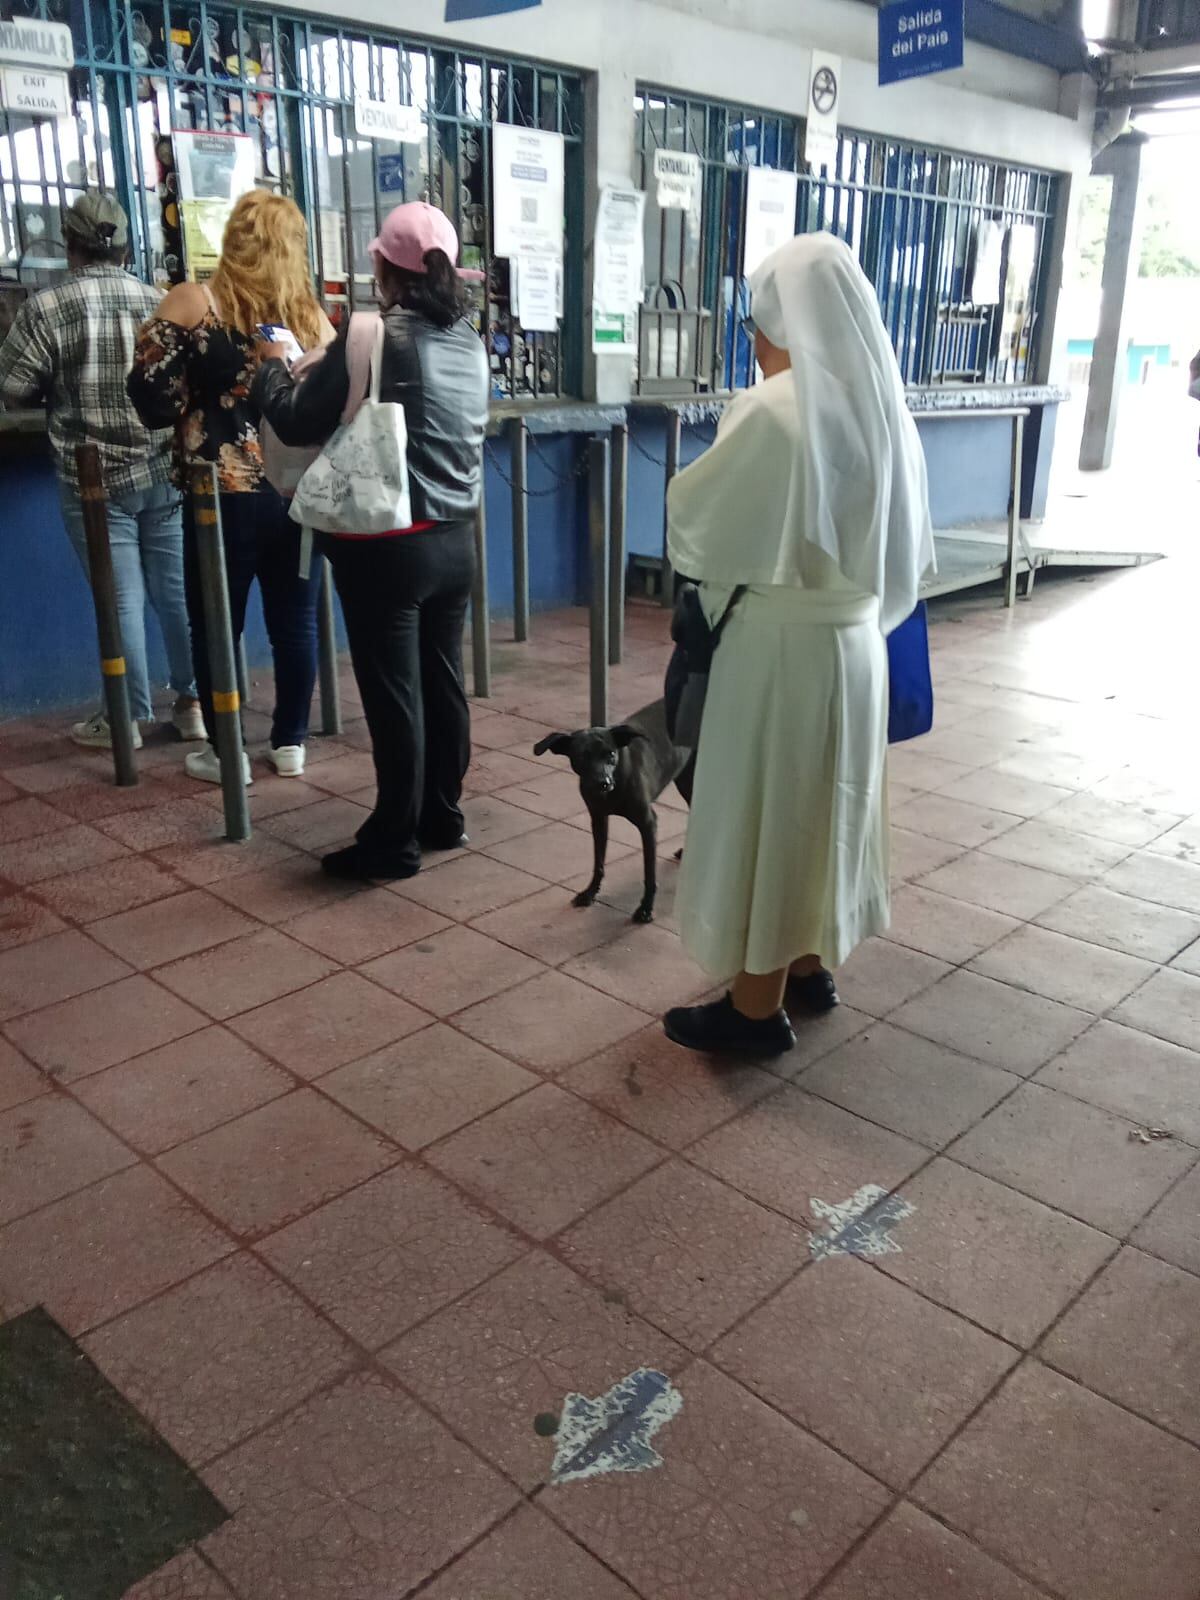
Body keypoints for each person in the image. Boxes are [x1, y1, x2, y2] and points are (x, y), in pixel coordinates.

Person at [662, 232, 935, 1058]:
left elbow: (697, 526)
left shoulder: (774, 411)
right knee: (832, 805)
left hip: (780, 652)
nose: (754, 338)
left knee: (771, 813)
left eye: (759, 320)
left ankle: (753, 1011)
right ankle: (812, 964)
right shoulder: (883, 408)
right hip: (857, 647)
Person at [252, 201, 488, 882]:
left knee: (394, 694)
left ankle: (392, 841)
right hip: (456, 539)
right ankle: (443, 815)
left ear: (384, 265)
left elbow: (296, 422)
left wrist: (272, 365)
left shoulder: (369, 334)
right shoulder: (469, 339)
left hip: (388, 543)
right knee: (443, 684)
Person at [128, 189, 332, 784]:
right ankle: (290, 742)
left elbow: (151, 400)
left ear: (235, 238)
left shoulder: (196, 302)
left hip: (221, 493)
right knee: (296, 621)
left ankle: (227, 753)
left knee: (218, 621)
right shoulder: (312, 318)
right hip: (298, 495)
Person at [0, 194, 202, 749]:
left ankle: (126, 720)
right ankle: (192, 705)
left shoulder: (47, 306)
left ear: (70, 244)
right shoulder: (157, 299)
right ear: (127, 244)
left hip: (92, 480)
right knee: (177, 591)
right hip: (162, 466)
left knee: (120, 598)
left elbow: (12, 387)